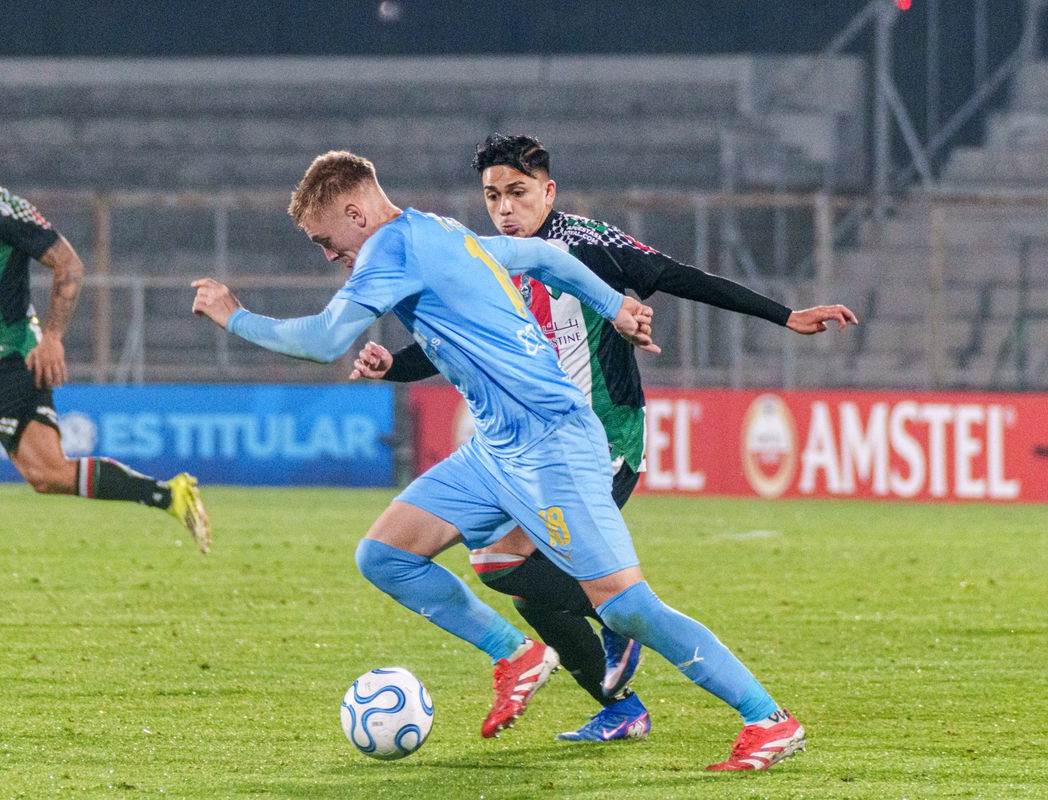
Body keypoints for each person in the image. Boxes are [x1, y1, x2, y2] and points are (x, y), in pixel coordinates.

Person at [194, 150, 803, 770]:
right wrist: (614, 306)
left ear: (355, 212)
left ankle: (767, 718)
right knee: (386, 555)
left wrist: (232, 316)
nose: (328, 254)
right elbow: (540, 256)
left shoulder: (389, 249)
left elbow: (324, 340)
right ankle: (515, 655)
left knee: (625, 605)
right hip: (495, 449)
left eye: (326, 239)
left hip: (552, 443)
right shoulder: (439, 230)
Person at [349, 133, 858, 749]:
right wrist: (391, 367)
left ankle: (680, 669)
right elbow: (454, 349)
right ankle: (622, 698)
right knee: (515, 579)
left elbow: (676, 276)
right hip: (527, 454)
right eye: (492, 196)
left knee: (540, 575)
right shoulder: (485, 262)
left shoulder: (589, 244)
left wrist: (784, 315)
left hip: (602, 444)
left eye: (517, 192)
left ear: (548, 191)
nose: (505, 208)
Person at [0, 112, 210, 615]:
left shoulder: (6, 211)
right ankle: (169, 495)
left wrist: (52, 336)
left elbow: (68, 264)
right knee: (47, 474)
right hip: (3, 358)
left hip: (8, 355)